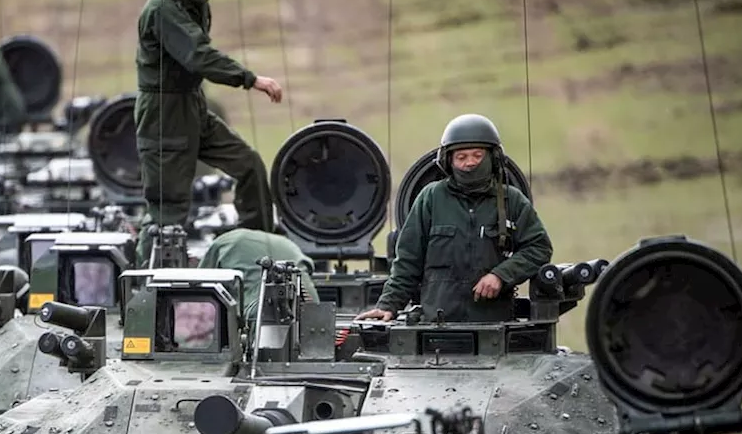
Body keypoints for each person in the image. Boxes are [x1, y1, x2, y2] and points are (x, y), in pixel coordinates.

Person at [134, 0, 283, 264]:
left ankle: (257, 252)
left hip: (192, 106)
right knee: (167, 210)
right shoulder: (164, 8)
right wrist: (250, 79)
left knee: (249, 166)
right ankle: (141, 286)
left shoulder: (193, 4)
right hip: (164, 114)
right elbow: (197, 55)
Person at [356, 114, 553, 323]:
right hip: (438, 324)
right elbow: (408, 259)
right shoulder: (430, 198)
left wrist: (501, 275)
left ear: (493, 158)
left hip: (494, 325)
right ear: (448, 161)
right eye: (461, 157)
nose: (470, 163)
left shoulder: (511, 200)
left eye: (477, 155)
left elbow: (539, 248)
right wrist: (389, 304)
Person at [199, 228, 319, 324]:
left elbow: (198, 284)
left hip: (258, 315)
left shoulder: (224, 242)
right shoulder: (286, 243)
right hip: (311, 312)